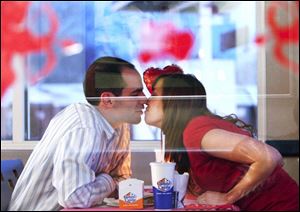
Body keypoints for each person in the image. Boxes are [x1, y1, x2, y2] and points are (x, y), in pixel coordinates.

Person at [144, 66, 299, 211]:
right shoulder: (189, 133)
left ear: (175, 101)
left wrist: (228, 197)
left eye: (155, 94)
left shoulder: (196, 129)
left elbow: (270, 157)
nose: (147, 100)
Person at [8, 56, 147, 211]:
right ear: (107, 100)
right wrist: (109, 181)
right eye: (135, 94)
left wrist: (107, 183)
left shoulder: (120, 125)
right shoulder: (84, 128)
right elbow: (75, 197)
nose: (145, 99)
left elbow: (123, 179)